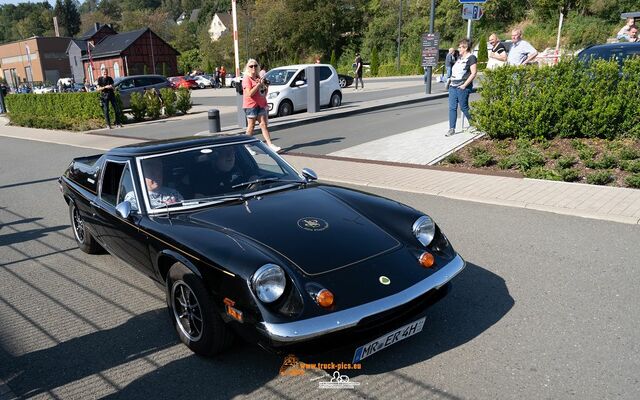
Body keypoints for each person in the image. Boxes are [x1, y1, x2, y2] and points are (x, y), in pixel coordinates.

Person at [242, 59, 280, 152]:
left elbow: (263, 93)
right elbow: (249, 94)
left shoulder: (258, 77)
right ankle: (246, 147)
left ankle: (270, 144)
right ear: (248, 68)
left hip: (261, 104)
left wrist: (266, 86)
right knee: (251, 126)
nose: (253, 68)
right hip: (251, 106)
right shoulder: (247, 78)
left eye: (255, 65)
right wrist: (258, 85)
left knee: (263, 124)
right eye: (251, 66)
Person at [446, 38, 477, 137]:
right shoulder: (459, 57)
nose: (458, 49)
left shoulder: (471, 57)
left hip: (462, 86)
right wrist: (449, 80)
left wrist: (464, 85)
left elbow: (473, 73)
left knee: (464, 107)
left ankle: (474, 124)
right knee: (452, 107)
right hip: (453, 86)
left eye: (460, 47)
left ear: (466, 47)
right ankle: (452, 128)